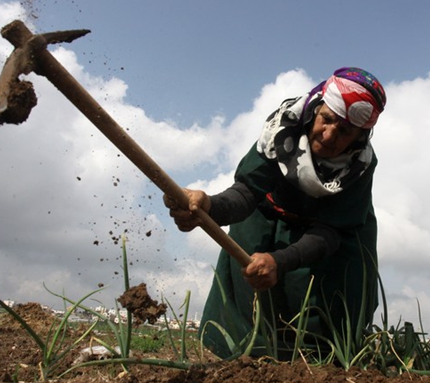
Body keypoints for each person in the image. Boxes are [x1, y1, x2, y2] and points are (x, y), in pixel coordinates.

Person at [165, 67, 387, 359]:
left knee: (333, 287)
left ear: (359, 137)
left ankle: (321, 360)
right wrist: (208, 207)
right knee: (250, 250)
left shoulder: (359, 166)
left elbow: (328, 232)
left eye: (344, 131)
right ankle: (247, 353)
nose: (330, 134)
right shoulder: (282, 130)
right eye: (327, 119)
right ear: (316, 110)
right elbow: (246, 192)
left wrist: (279, 261)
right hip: (271, 211)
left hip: (333, 232)